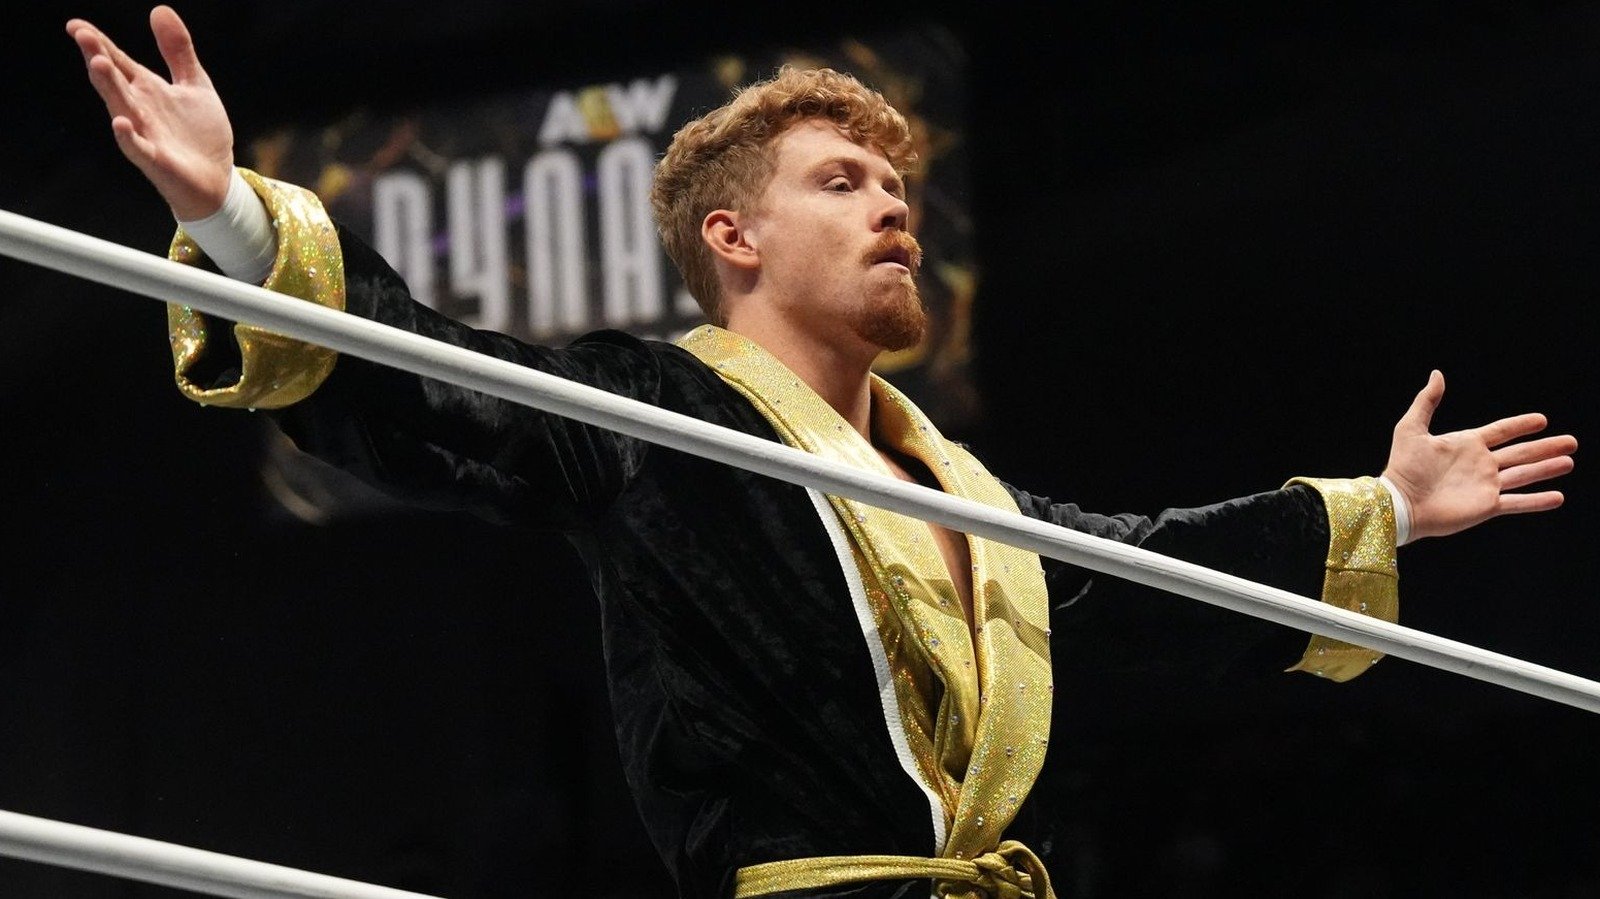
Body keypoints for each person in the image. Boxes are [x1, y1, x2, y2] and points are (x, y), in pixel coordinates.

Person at [66, 7, 1577, 898]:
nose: (894, 206)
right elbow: (441, 387)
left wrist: (1385, 509)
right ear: (733, 236)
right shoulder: (655, 419)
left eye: (896, 183)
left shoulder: (961, 495)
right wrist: (230, 217)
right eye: (843, 181)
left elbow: (1154, 575)